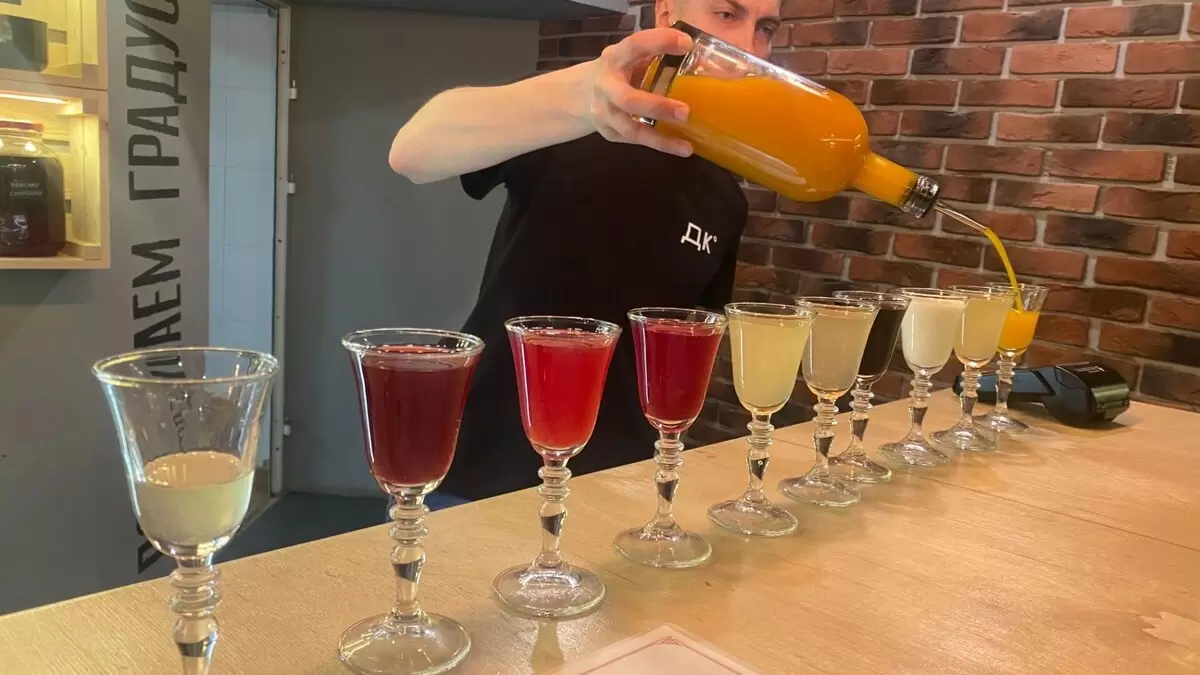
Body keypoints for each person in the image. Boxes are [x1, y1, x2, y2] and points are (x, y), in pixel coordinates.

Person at [388, 0, 785, 502]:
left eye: (765, 29)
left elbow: (692, 347)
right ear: (667, 15)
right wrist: (580, 97)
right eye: (726, 15)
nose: (748, 48)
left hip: (623, 484)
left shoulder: (725, 197)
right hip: (484, 463)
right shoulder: (571, 115)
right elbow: (413, 153)